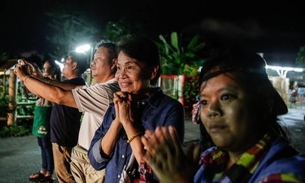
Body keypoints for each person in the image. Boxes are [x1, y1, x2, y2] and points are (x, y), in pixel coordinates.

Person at [141, 45, 305, 183]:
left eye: (226, 97)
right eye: (204, 102)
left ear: (265, 104)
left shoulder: (287, 174)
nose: (212, 110)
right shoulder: (209, 159)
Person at [14, 43, 119, 183]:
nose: (92, 62)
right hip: (86, 155)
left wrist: (24, 77)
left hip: (93, 160)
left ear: (114, 63)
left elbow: (59, 95)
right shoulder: (101, 87)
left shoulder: (106, 91)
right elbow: (70, 87)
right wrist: (39, 77)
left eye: (98, 58)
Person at [87, 37, 185, 183]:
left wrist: (128, 123)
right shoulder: (117, 105)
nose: (121, 75)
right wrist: (118, 122)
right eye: (119, 68)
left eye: (130, 67)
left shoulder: (169, 110)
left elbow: (161, 173)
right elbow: (96, 160)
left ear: (152, 72)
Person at [15, 51, 88, 183]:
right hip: (62, 135)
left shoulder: (76, 83)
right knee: (63, 173)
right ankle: (45, 171)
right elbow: (41, 91)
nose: (63, 66)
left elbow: (54, 95)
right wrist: (32, 77)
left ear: (74, 65)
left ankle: (48, 173)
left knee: (66, 176)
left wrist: (26, 77)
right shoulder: (69, 83)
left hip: (64, 137)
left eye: (66, 63)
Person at [29, 59, 61, 183]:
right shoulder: (42, 81)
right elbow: (34, 92)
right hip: (40, 112)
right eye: (44, 68)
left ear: (53, 69)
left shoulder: (54, 83)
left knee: (47, 145)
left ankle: (49, 173)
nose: (45, 71)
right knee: (41, 144)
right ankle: (43, 170)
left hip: (48, 113)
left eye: (48, 68)